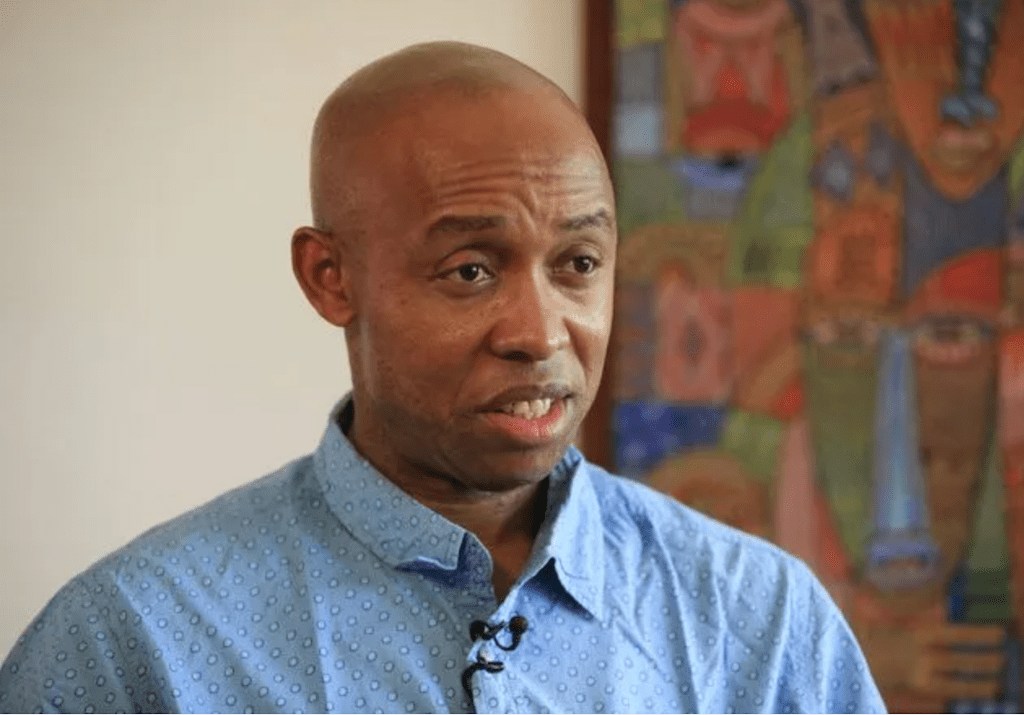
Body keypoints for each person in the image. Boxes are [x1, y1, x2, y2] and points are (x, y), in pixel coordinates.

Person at [0, 42, 885, 714]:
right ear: (330, 277)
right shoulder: (134, 645)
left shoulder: (763, 625)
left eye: (578, 263)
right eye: (470, 270)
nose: (542, 333)